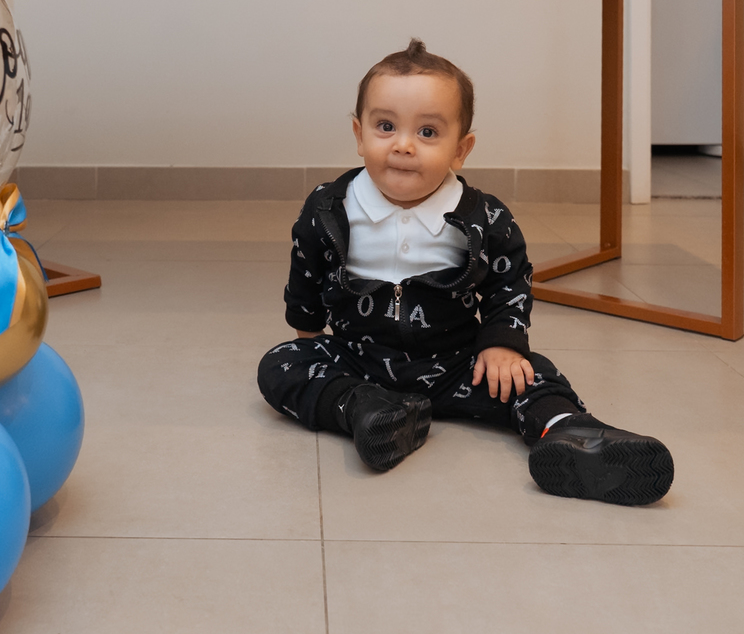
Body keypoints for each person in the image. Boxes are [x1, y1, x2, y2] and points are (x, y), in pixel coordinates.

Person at [257, 39, 674, 506]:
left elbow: (510, 282)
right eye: (385, 126)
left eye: (428, 133)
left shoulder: (483, 218)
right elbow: (307, 270)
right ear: (359, 134)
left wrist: (500, 342)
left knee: (531, 373)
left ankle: (569, 432)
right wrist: (308, 335)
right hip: (358, 358)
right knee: (280, 365)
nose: (403, 145)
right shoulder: (329, 208)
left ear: (462, 148)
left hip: (456, 364)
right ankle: (365, 409)